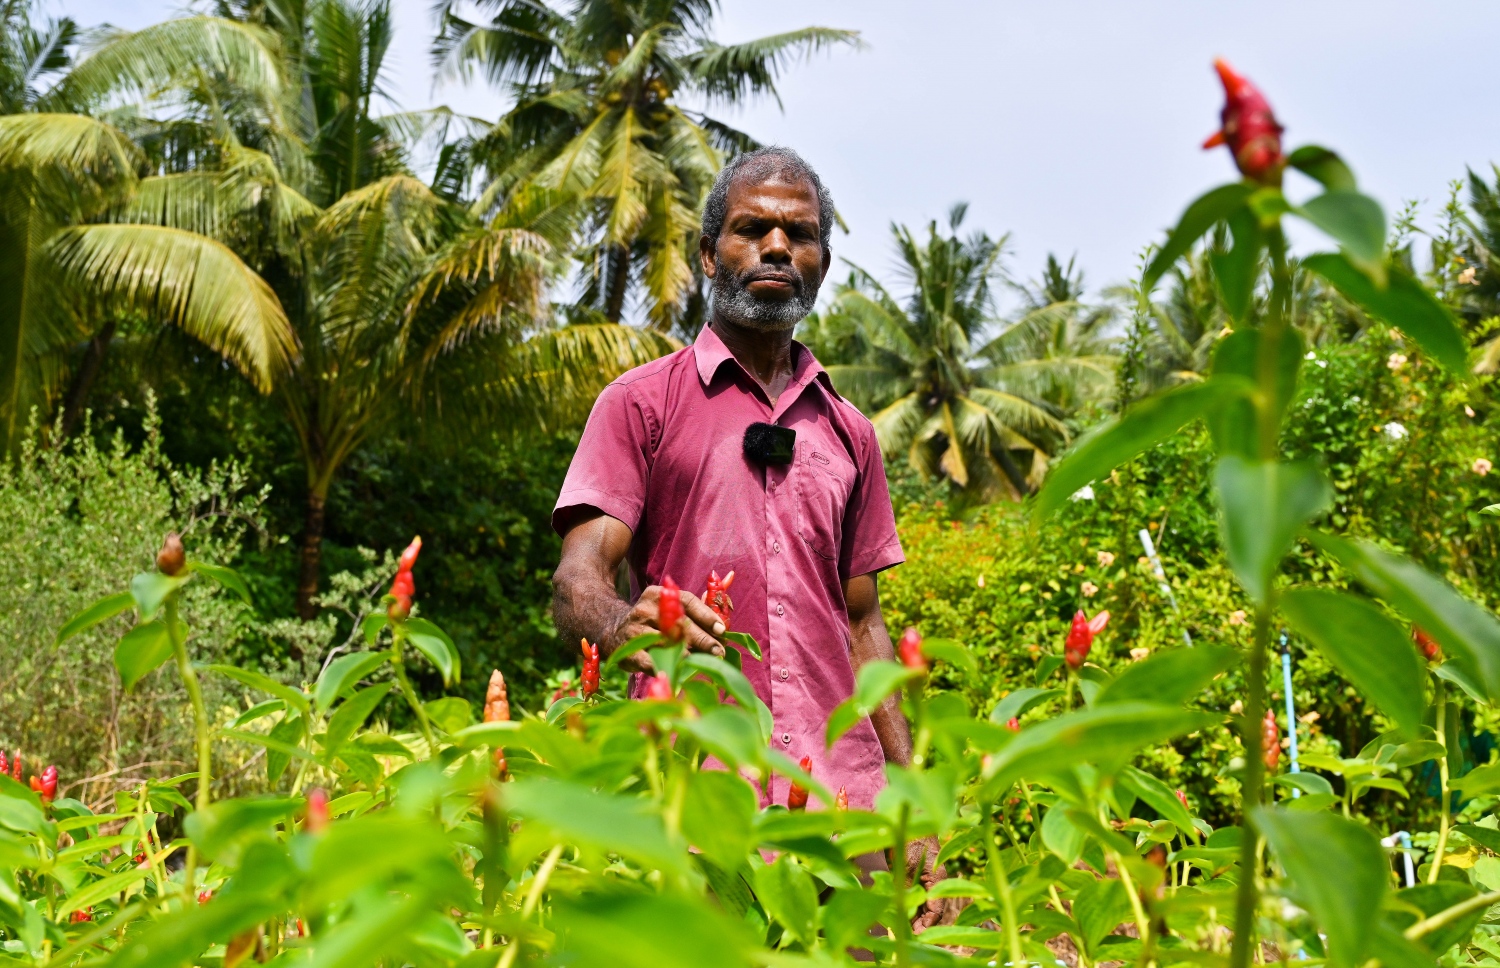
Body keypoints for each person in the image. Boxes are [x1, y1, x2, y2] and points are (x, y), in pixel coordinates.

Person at [550, 146, 944, 917]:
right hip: (691, 795)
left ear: (822, 263)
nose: (777, 246)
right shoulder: (641, 404)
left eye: (800, 234)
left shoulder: (852, 433)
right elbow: (577, 578)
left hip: (844, 807)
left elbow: (864, 622)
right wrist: (623, 624)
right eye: (752, 228)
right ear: (708, 254)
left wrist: (913, 796)